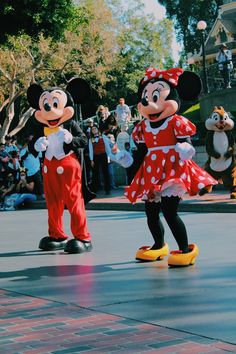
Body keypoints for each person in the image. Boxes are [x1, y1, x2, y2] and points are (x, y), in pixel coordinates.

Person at [89, 125, 111, 195]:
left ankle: (107, 189)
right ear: (91, 131)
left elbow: (107, 146)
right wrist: (91, 159)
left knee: (105, 172)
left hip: (103, 155)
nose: (94, 130)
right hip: (96, 156)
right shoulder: (90, 139)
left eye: (95, 128)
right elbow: (91, 150)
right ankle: (95, 189)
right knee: (95, 173)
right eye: (92, 129)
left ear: (98, 129)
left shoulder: (103, 136)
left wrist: (109, 156)